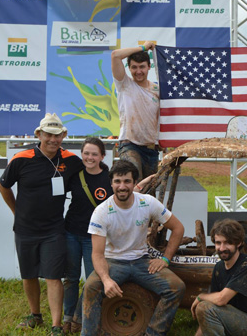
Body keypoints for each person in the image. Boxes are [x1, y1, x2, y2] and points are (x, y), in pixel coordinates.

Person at [0, 113, 83, 336]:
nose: (53, 140)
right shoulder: (21, 159)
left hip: (54, 229)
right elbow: (3, 187)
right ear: (39, 134)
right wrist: (17, 212)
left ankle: (56, 326)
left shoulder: (72, 160)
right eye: (48, 135)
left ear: (63, 135)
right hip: (25, 229)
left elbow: (91, 177)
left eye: (57, 135)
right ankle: (35, 316)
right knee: (29, 275)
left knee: (54, 276)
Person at [81, 160, 185, 336]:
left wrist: (165, 259)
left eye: (127, 181)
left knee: (177, 287)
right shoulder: (101, 212)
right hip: (113, 262)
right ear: (111, 183)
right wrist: (106, 279)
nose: (122, 186)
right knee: (91, 287)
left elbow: (178, 228)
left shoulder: (147, 202)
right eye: (117, 181)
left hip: (141, 261)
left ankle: (153, 332)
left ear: (134, 183)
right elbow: (98, 255)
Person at [63, 139, 155, 334]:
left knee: (91, 281)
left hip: (94, 238)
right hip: (72, 232)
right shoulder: (74, 176)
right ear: (82, 154)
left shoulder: (109, 177)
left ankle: (80, 319)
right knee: (70, 278)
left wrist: (145, 181)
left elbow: (126, 191)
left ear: (102, 157)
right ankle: (67, 318)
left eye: (94, 154)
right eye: (86, 153)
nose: (90, 157)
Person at [191, 219, 247, 336]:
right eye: (218, 243)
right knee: (205, 307)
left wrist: (200, 296)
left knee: (203, 306)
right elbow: (211, 310)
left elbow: (221, 299)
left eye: (227, 242)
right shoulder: (218, 268)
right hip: (230, 319)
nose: (222, 248)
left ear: (238, 243)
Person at [111, 41, 160, 180]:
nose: (138, 71)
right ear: (129, 68)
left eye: (142, 67)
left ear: (149, 67)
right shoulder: (124, 84)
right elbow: (115, 55)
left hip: (151, 148)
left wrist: (163, 142)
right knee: (133, 180)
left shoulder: (157, 90)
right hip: (129, 144)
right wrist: (143, 47)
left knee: (148, 191)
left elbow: (161, 118)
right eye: (134, 67)